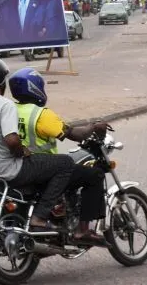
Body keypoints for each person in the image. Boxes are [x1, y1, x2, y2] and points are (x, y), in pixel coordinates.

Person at [0, 58, 104, 241]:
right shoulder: (7, 106)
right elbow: (12, 141)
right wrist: (22, 152)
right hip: (7, 169)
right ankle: (40, 217)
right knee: (66, 163)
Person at [8, 67, 108, 238]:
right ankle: (83, 230)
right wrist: (93, 126)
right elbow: (76, 135)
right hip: (44, 169)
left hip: (20, 167)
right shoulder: (41, 115)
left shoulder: (9, 109)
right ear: (35, 88)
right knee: (94, 175)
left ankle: (61, 210)